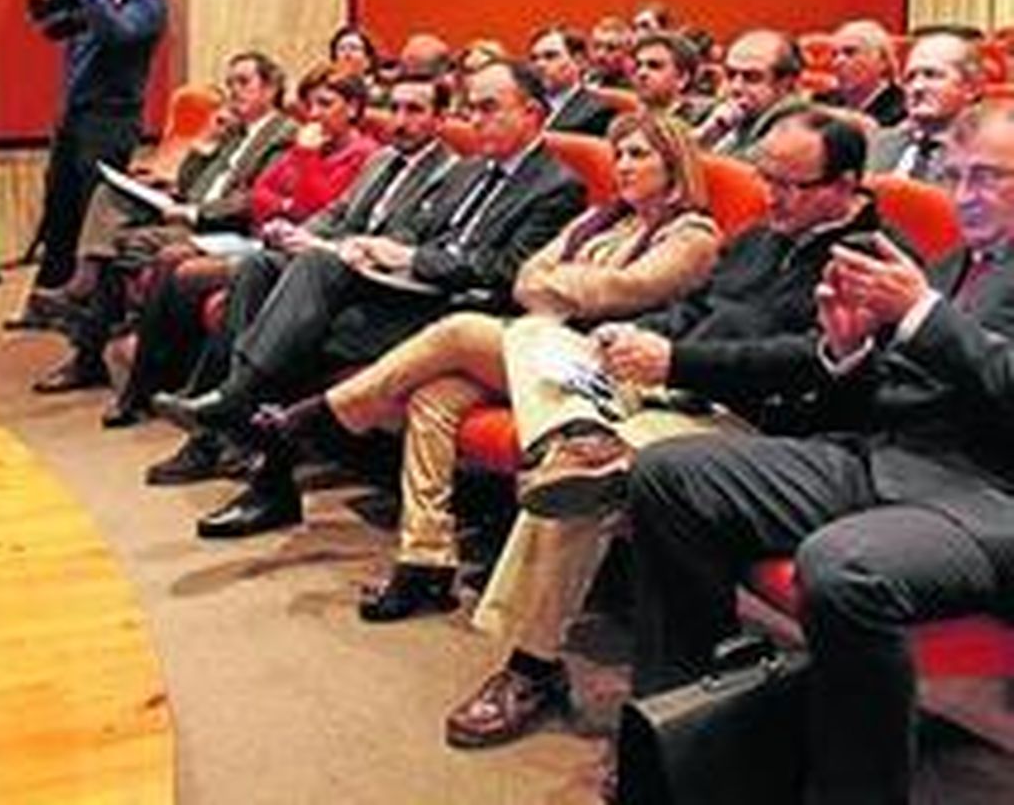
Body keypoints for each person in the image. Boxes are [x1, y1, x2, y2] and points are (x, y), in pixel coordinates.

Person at [433, 107, 881, 754]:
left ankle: (530, 667)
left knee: (582, 487)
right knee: (534, 335)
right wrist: (646, 337)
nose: (771, 196)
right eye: (766, 179)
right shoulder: (761, 236)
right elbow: (696, 307)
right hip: (673, 391)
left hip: (757, 432)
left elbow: (805, 361)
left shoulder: (870, 262)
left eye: (792, 186)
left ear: (846, 186)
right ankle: (579, 439)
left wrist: (678, 359)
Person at [626, 98, 1014, 805]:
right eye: (956, 177)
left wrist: (922, 315)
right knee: (670, 473)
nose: (964, 195)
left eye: (989, 178)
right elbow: (888, 396)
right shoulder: (956, 260)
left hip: (986, 499)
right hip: (883, 462)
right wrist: (846, 351)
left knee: (843, 569)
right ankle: (697, 743)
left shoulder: (937, 281)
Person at [245, 111, 720, 614]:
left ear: (675, 165)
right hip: (543, 346)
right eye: (619, 153)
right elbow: (527, 277)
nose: (623, 165)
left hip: (603, 368)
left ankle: (322, 410)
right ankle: (423, 564)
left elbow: (622, 292)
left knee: (461, 329)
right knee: (435, 397)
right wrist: (562, 291)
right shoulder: (600, 219)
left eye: (639, 154)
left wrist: (557, 289)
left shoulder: (693, 235)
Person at [156, 59, 588, 538]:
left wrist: (411, 257)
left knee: (307, 312)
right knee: (272, 275)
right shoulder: (470, 171)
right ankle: (260, 460)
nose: (477, 120)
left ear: (532, 113)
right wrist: (375, 250)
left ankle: (243, 417)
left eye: (489, 108)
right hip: (407, 289)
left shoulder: (557, 185)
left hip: (459, 310)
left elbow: (505, 273)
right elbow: (419, 229)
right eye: (473, 109)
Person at [142, 70, 459, 486]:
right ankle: (226, 419)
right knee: (258, 267)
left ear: (441, 118)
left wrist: (321, 246)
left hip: (378, 285)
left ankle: (225, 418)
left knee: (300, 286)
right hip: (336, 268)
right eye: (396, 108)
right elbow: (336, 212)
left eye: (415, 110)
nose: (400, 120)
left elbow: (400, 242)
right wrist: (303, 232)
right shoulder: (382, 159)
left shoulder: (450, 173)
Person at [101, 66, 376, 427]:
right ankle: (160, 386)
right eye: (310, 104)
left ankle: (161, 388)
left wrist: (301, 172)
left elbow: (316, 208)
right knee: (166, 260)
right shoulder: (306, 143)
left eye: (325, 104)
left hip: (289, 252)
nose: (314, 114)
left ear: (353, 108)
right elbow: (262, 193)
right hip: (265, 239)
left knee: (180, 267)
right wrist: (287, 203)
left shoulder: (363, 154)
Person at [31, 51, 294, 393]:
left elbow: (252, 200)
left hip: (217, 226)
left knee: (127, 243)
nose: (233, 92)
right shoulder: (233, 131)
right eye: (229, 83)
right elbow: (189, 183)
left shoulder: (283, 135)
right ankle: (85, 284)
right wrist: (208, 143)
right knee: (110, 196)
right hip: (186, 207)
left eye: (243, 82)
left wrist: (195, 213)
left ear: (271, 88)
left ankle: (94, 348)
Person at [11, 0, 168, 327]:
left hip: (111, 120)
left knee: (92, 221)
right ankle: (45, 304)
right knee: (59, 211)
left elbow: (117, 34)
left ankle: (90, 320)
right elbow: (55, 29)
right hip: (75, 114)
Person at [866, 29, 982, 185]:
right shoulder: (879, 144)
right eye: (910, 77)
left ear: (971, 88)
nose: (917, 87)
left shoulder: (993, 155)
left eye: (931, 75)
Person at [693, 28, 804, 157]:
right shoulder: (713, 116)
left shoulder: (800, 134)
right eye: (730, 75)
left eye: (752, 77)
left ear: (786, 84)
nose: (736, 87)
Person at [527, 26, 617, 136]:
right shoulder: (525, 107)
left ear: (579, 61)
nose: (540, 65)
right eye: (534, 58)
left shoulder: (598, 111)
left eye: (551, 56)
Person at [818, 18, 904, 126]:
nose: (838, 62)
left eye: (850, 52)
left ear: (882, 61)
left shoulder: (903, 107)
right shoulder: (825, 101)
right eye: (834, 55)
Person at [629, 30, 709, 124]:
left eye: (654, 66)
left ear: (682, 78)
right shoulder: (628, 124)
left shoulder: (701, 122)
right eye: (638, 66)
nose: (641, 73)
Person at [586, 17, 632, 89]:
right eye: (596, 46)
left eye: (611, 48)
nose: (600, 55)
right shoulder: (588, 77)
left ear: (626, 50)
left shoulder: (637, 80)